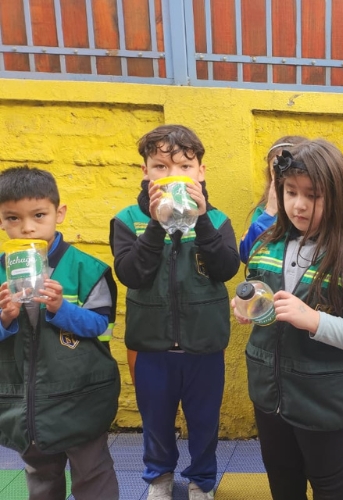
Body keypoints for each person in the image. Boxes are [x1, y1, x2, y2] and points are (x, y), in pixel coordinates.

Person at [236, 139, 343, 499]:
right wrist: (251, 306)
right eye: (290, 191)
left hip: (325, 397)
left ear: (338, 196)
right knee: (280, 474)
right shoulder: (265, 246)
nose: (299, 204)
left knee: (327, 477)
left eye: (313, 195)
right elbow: (259, 293)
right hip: (270, 391)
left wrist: (314, 320)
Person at [110, 125, 240, 500]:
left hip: (204, 346)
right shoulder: (127, 220)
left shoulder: (216, 220)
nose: (172, 176)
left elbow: (226, 269)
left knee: (204, 422)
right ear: (146, 172)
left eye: (184, 166)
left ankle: (202, 480)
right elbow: (130, 273)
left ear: (200, 172)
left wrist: (199, 220)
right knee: (156, 422)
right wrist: (156, 223)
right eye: (160, 166)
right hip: (151, 346)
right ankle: (159, 477)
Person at [0, 166, 120, 499]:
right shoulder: (1, 270)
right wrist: (5, 318)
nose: (27, 227)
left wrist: (60, 309)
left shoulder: (87, 268)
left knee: (92, 470)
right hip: (26, 402)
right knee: (40, 472)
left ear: (59, 213)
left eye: (39, 215)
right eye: (12, 218)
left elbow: (102, 325)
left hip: (80, 395)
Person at [239, 136, 308, 263]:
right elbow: (246, 254)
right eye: (275, 171)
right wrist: (270, 212)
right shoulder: (264, 210)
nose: (282, 178)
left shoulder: (306, 207)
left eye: (288, 171)